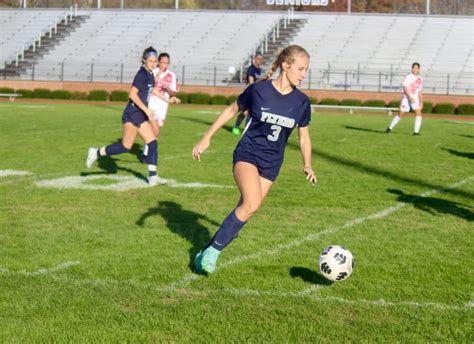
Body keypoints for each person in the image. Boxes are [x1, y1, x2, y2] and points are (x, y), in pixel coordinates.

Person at [192, 45, 317, 275]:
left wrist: (307, 164)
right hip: (248, 154)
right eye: (300, 68)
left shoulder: (301, 102)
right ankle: (213, 253)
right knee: (251, 203)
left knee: (247, 209)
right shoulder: (258, 90)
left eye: (306, 70)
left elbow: (304, 136)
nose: (303, 74)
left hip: (272, 163)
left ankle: (205, 251)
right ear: (285, 65)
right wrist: (207, 137)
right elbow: (231, 110)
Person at [86, 46, 165, 186]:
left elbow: (151, 91)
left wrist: (167, 99)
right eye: (150, 61)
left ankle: (153, 177)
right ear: (144, 60)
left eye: (155, 61)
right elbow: (132, 95)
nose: (153, 63)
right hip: (133, 113)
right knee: (126, 147)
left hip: (140, 114)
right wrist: (146, 110)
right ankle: (96, 152)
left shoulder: (151, 74)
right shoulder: (141, 74)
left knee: (152, 143)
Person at [143, 52, 180, 160]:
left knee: (156, 131)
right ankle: (147, 154)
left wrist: (167, 88)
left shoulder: (171, 75)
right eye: (162, 62)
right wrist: (159, 73)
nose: (164, 65)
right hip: (151, 103)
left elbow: (173, 93)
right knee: (151, 128)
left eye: (166, 63)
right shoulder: (153, 71)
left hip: (163, 106)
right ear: (158, 62)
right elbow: (149, 86)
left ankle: (147, 152)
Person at [385, 63, 424, 135]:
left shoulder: (420, 79)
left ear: (419, 69)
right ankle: (389, 128)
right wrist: (410, 97)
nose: (415, 69)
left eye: (416, 68)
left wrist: (421, 102)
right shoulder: (408, 77)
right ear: (412, 69)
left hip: (415, 99)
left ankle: (416, 132)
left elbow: (420, 91)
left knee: (419, 114)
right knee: (400, 114)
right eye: (414, 68)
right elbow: (405, 88)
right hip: (406, 98)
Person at [231, 52, 264, 135]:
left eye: (261, 59)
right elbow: (251, 82)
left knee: (253, 111)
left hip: (256, 92)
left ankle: (249, 129)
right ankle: (236, 127)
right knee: (245, 111)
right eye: (258, 58)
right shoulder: (251, 69)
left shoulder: (259, 70)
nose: (259, 60)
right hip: (250, 92)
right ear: (255, 59)